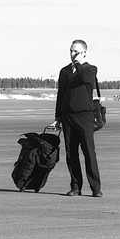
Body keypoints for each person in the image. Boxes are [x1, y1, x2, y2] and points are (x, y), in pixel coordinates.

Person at [52, 39, 102, 197]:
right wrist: (58, 117)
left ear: (84, 53)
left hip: (85, 116)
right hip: (68, 117)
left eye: (76, 51)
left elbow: (85, 79)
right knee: (71, 153)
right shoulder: (64, 71)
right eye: (71, 51)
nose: (72, 54)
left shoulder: (90, 69)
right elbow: (60, 94)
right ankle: (75, 186)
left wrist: (79, 63)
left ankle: (95, 188)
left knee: (89, 152)